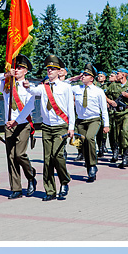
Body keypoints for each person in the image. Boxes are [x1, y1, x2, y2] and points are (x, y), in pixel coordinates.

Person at [0, 60, 37, 198]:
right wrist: (5, 75)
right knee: (11, 157)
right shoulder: (7, 84)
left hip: (22, 124)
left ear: (26, 71)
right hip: (9, 125)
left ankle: (30, 175)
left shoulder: (29, 86)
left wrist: (16, 121)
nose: (17, 70)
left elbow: (29, 107)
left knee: (19, 154)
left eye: (20, 68)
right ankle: (16, 188)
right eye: (15, 68)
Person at [34, 57, 74, 200]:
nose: (49, 71)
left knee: (57, 155)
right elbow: (32, 91)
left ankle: (64, 180)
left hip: (61, 126)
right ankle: (50, 191)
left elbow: (70, 108)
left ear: (59, 71)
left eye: (52, 69)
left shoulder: (66, 87)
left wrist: (71, 127)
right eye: (48, 69)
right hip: (46, 126)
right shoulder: (42, 87)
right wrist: (24, 84)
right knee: (47, 159)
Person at [71, 65, 109, 180]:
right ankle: (89, 167)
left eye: (86, 75)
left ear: (92, 78)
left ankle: (92, 165)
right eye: (82, 74)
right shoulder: (76, 88)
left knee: (89, 138)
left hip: (94, 119)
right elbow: (63, 86)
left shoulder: (99, 91)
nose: (83, 76)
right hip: (81, 121)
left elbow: (104, 109)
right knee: (82, 143)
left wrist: (106, 124)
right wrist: (74, 79)